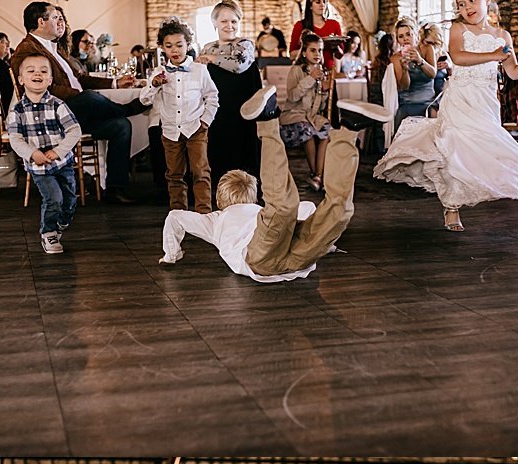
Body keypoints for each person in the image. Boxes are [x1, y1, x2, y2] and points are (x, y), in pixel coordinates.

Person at [161, 80, 384, 280]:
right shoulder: (253, 211)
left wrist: (172, 255)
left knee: (288, 207)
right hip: (291, 256)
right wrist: (324, 238)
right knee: (336, 210)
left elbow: (175, 217)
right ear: (252, 196)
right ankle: (348, 129)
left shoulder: (215, 218)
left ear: (220, 201)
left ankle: (270, 120)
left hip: (263, 257)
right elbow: (307, 207)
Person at [372, 0, 518, 232]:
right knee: (454, 148)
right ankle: (451, 207)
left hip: (486, 103)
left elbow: (513, 71)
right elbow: (458, 57)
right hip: (459, 98)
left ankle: (481, 187)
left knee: (481, 151)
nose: (467, 7)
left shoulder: (503, 36)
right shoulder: (458, 29)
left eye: (471, 1)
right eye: (461, 4)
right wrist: (493, 55)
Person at [11, 3, 142, 204]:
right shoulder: (27, 50)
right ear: (41, 22)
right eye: (56, 18)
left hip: (74, 114)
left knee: (121, 126)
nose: (61, 22)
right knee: (89, 97)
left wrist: (116, 82)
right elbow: (40, 88)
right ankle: (128, 108)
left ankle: (115, 188)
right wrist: (78, 96)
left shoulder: (56, 49)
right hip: (50, 117)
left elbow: (81, 77)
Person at [5, 50, 81, 255]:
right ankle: (49, 233)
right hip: (39, 167)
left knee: (69, 200)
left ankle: (62, 222)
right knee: (53, 198)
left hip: (62, 163)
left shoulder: (58, 105)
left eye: (43, 71)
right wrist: (32, 153)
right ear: (21, 79)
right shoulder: (18, 111)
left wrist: (59, 151)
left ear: (50, 79)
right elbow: (15, 138)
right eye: (31, 70)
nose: (37, 74)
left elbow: (74, 131)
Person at [142, 17, 219, 213]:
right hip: (170, 130)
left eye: (179, 45)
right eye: (169, 46)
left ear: (188, 45)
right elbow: (144, 100)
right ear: (162, 48)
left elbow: (212, 97)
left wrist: (205, 121)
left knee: (200, 172)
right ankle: (178, 214)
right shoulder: (158, 73)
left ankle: (204, 215)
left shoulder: (200, 71)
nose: (174, 50)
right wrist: (154, 85)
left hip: (196, 127)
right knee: (174, 175)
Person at [197, 0, 262, 184]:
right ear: (214, 23)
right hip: (217, 109)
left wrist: (210, 58)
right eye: (224, 21)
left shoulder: (245, 44)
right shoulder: (207, 47)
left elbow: (239, 65)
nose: (229, 26)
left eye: (234, 21)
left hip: (241, 109)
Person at [280, 30, 333, 190]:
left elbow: (320, 106)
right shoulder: (296, 71)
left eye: (320, 50)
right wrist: (311, 79)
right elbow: (293, 96)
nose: (317, 54)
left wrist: (324, 92)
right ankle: (314, 173)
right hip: (293, 116)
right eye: (313, 50)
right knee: (307, 131)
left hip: (311, 116)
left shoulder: (321, 72)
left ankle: (318, 175)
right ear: (304, 52)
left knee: (327, 131)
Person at [387, 17, 437, 128]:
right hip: (408, 104)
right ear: (398, 40)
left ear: (415, 34)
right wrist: (405, 69)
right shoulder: (396, 58)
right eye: (401, 36)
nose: (405, 39)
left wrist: (420, 60)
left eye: (408, 34)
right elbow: (404, 86)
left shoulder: (428, 49)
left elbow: (433, 74)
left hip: (429, 102)